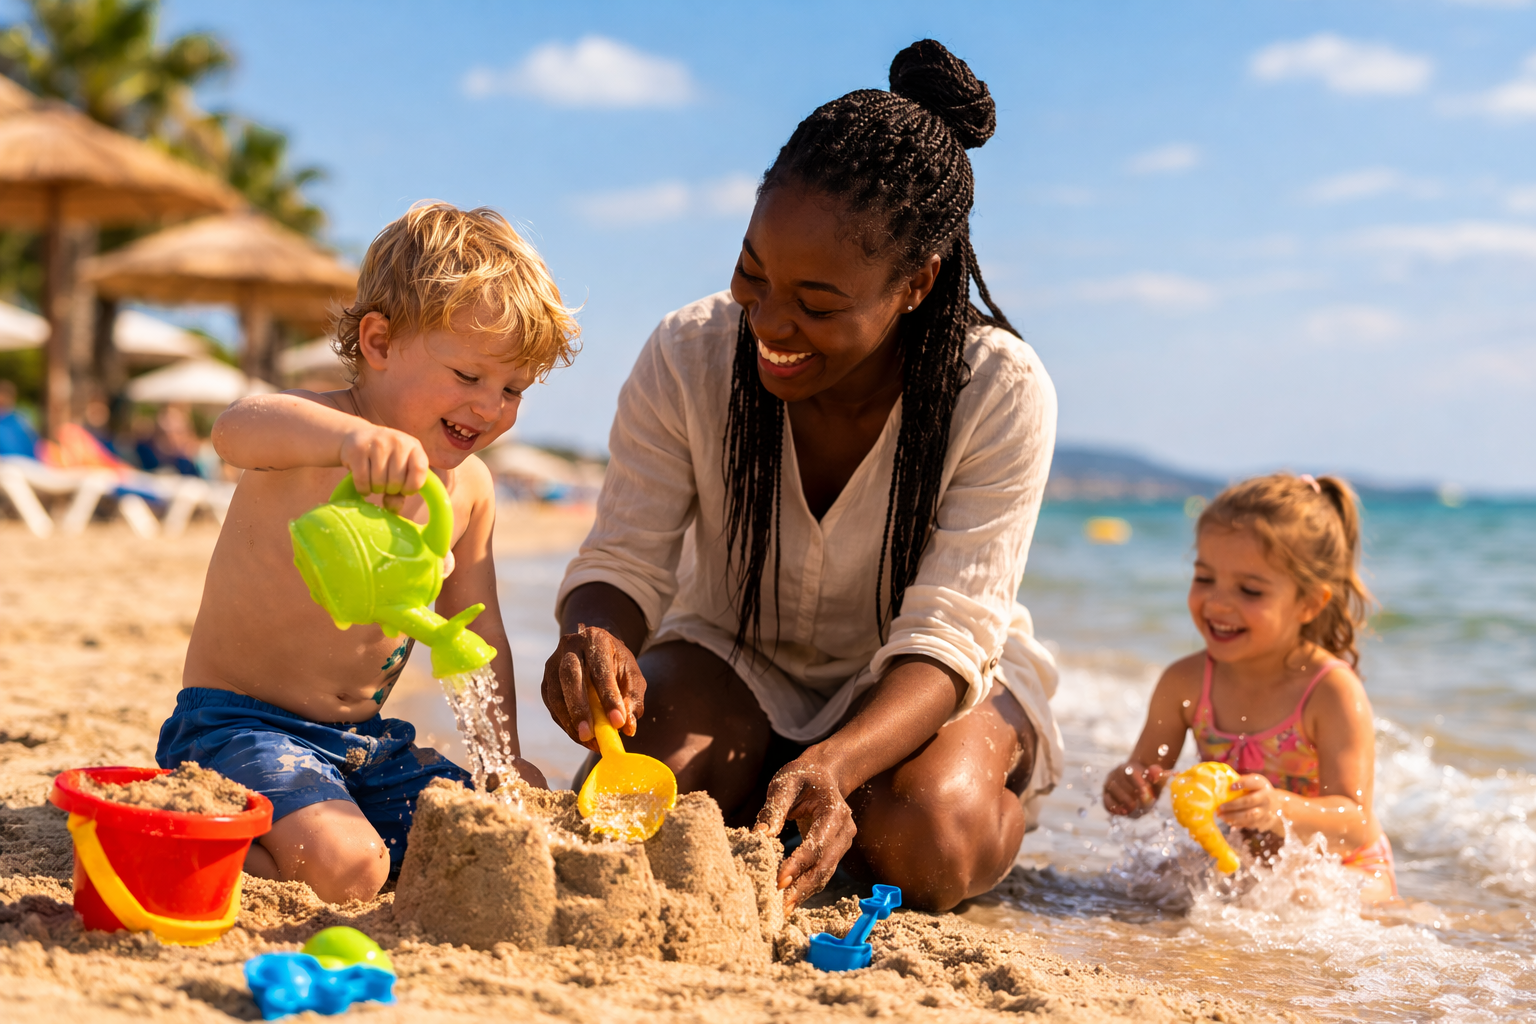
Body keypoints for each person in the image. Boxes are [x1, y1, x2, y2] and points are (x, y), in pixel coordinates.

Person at [542, 40, 1062, 913]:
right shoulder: (688, 353)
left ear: (916, 285)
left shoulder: (998, 390)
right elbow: (625, 559)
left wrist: (836, 762)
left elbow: (950, 633)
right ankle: (791, 787)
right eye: (752, 273)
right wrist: (594, 635)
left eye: (818, 305)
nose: (771, 323)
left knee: (928, 840)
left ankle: (921, 798)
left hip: (930, 681)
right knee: (644, 803)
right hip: (736, 653)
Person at [157, 202, 578, 903]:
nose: (490, 407)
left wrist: (501, 760)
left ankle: (300, 829)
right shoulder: (318, 431)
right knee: (353, 869)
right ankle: (196, 829)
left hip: (365, 743)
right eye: (469, 377)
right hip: (237, 725)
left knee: (491, 840)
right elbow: (233, 430)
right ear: (378, 343)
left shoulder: (469, 489)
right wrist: (347, 443)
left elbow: (478, 628)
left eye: (513, 390)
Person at [1103, 473, 1396, 902]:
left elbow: (1356, 826)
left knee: (1307, 897)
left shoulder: (1330, 691)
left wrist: (1280, 809)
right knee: (1156, 883)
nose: (1219, 602)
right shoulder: (1184, 682)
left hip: (1342, 868)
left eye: (1250, 589)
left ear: (1310, 603)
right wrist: (1130, 787)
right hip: (1240, 858)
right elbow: (1149, 778)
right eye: (1204, 578)